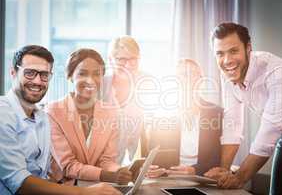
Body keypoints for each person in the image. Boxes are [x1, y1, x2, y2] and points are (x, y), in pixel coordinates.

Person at [0, 45, 121, 195]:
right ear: (13, 72)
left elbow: (43, 176)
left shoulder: (41, 117)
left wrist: (123, 172)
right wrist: (83, 192)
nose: (38, 81)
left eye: (44, 75)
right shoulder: (3, 113)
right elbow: (18, 181)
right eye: (30, 73)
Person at [204, 22, 282, 194]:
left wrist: (239, 177)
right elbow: (232, 123)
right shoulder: (228, 71)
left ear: (248, 48)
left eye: (233, 51)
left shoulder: (278, 72)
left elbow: (269, 132)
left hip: (280, 133)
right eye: (220, 53)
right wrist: (224, 170)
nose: (227, 61)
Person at [47, 48, 132, 185]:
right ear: (70, 76)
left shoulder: (111, 113)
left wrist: (121, 171)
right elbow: (68, 166)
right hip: (62, 188)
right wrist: (109, 176)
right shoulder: (53, 112)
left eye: (96, 74)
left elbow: (106, 160)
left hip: (95, 187)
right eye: (82, 73)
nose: (90, 80)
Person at [146, 58, 223, 178]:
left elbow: (217, 158)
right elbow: (153, 157)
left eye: (192, 74)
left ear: (201, 80)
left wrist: (195, 170)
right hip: (168, 178)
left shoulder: (215, 113)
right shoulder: (162, 115)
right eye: (182, 75)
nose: (187, 79)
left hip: (202, 177)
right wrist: (153, 168)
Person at [103, 35, 145, 165]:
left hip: (136, 164)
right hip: (102, 164)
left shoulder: (147, 84)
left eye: (133, 59)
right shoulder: (100, 85)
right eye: (121, 59)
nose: (128, 64)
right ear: (110, 60)